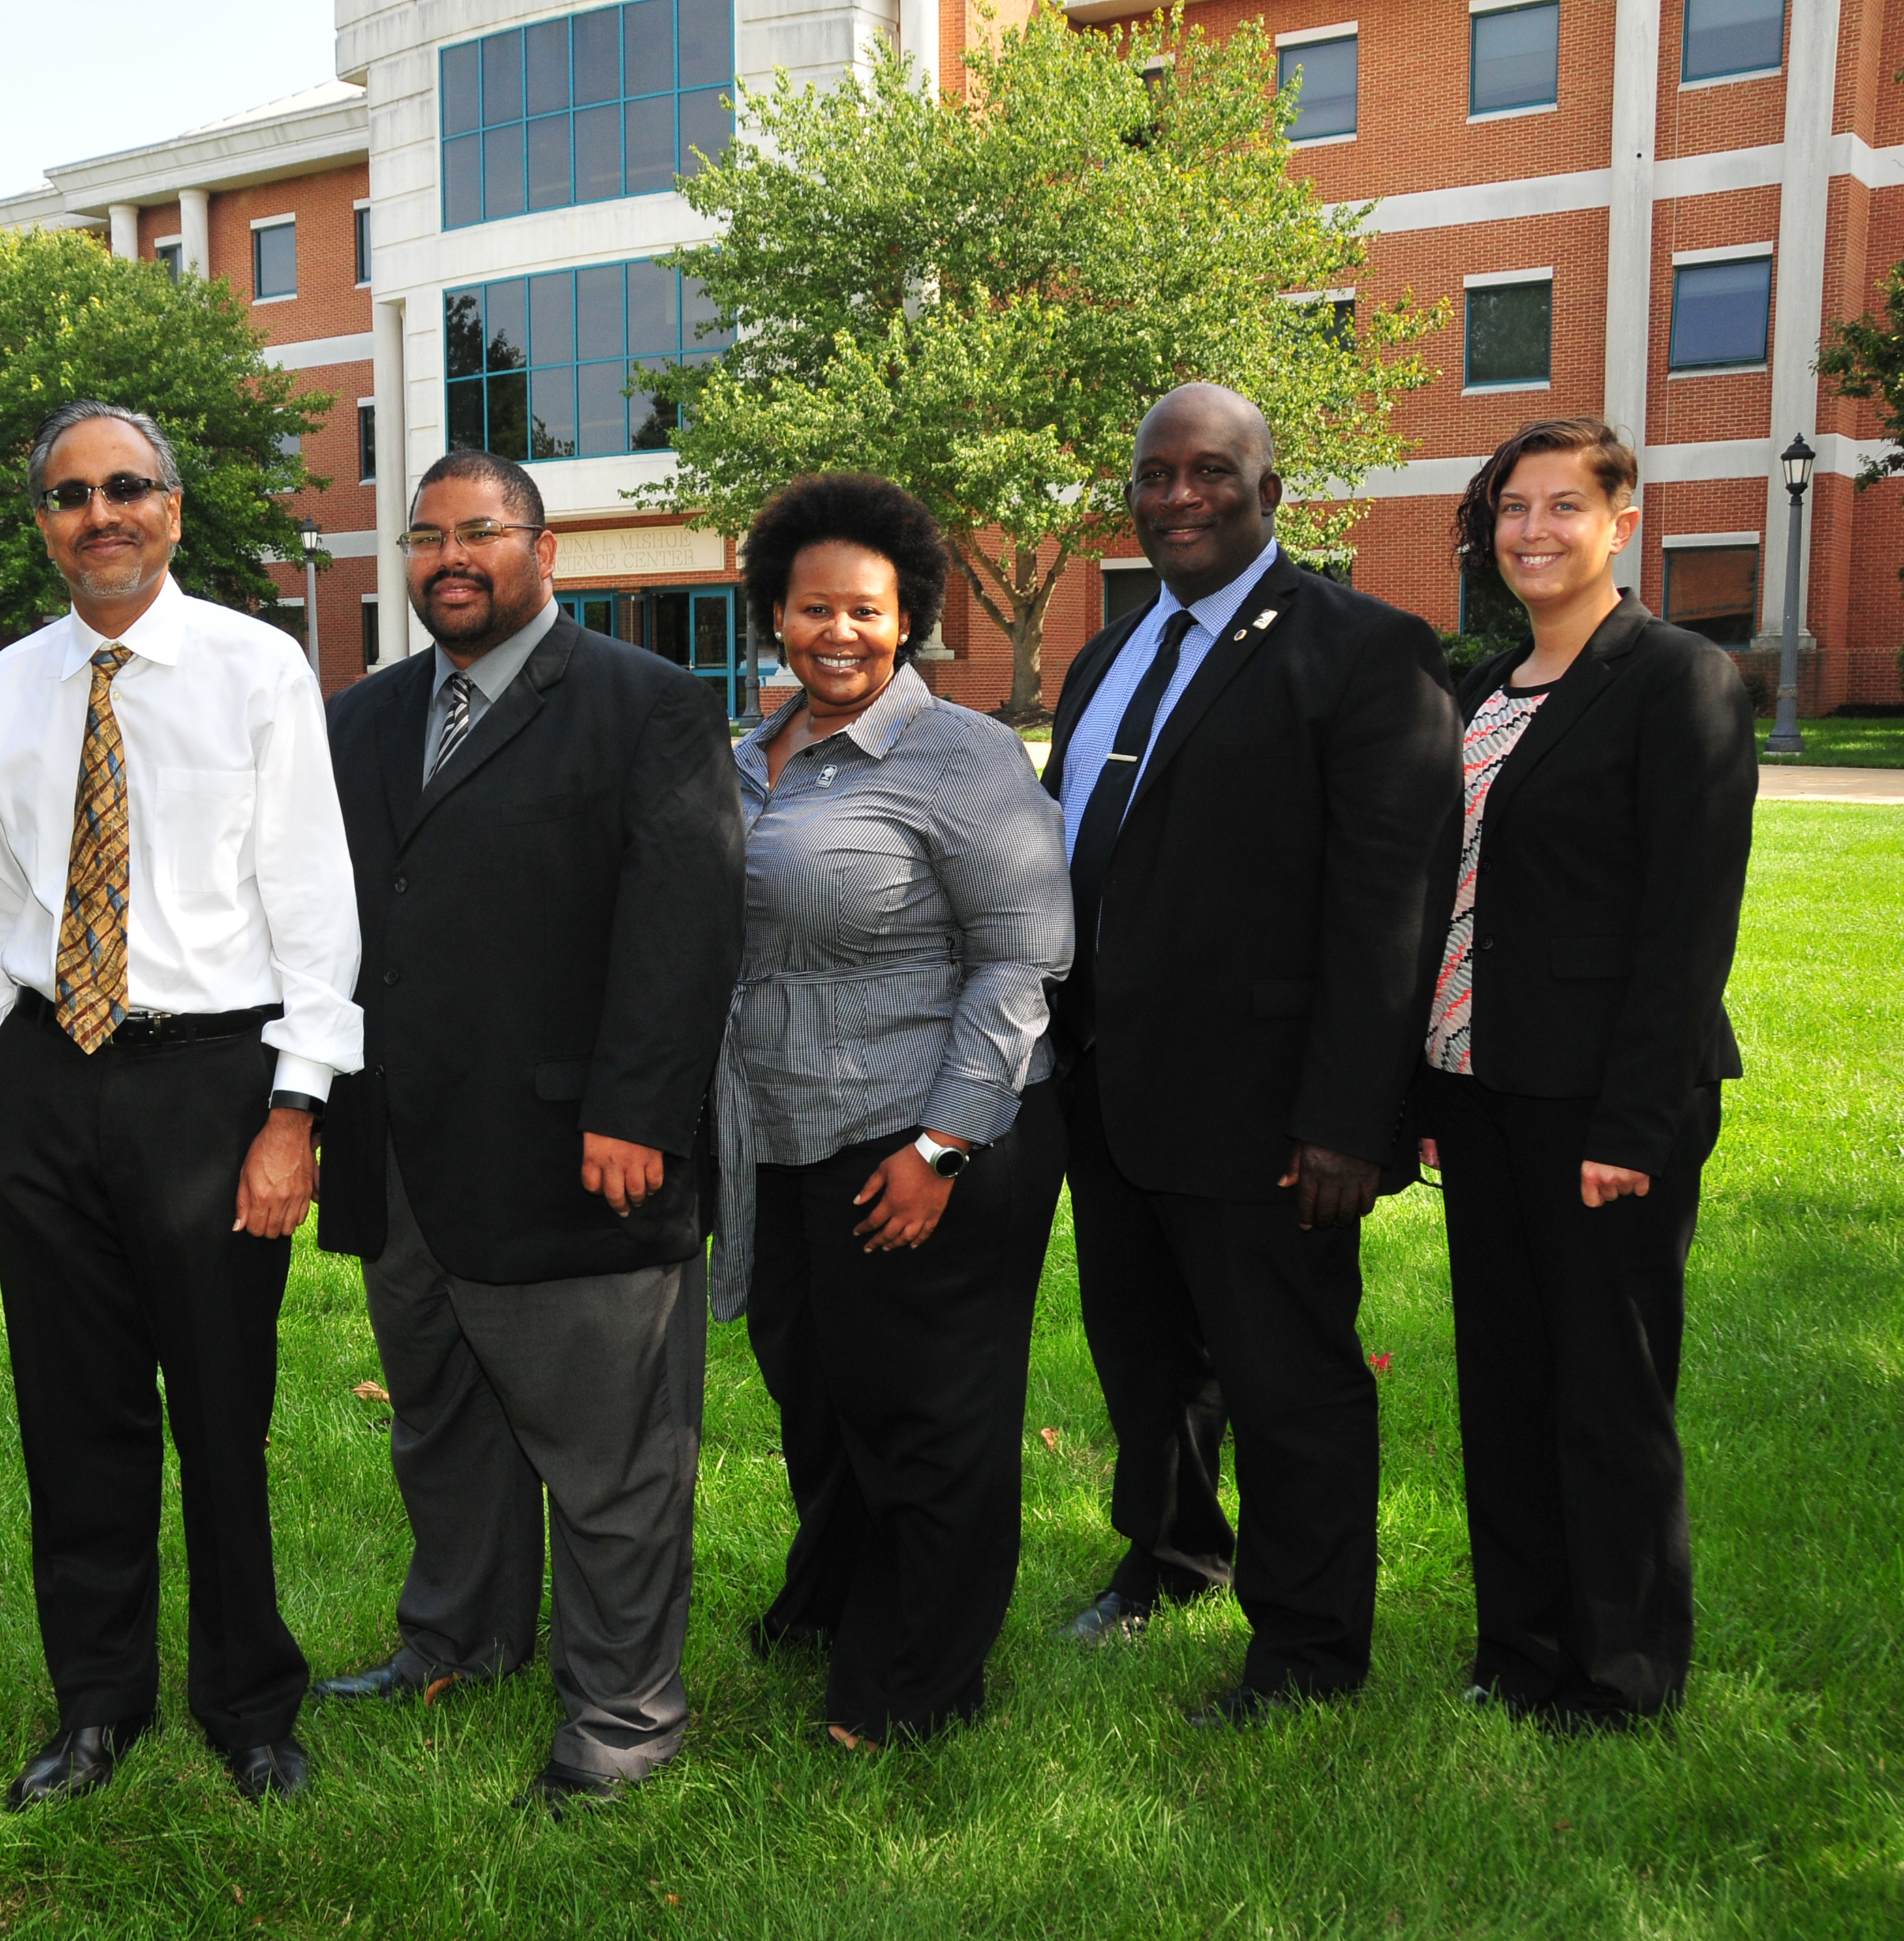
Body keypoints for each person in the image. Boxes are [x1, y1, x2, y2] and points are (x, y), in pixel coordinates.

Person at [313, 450, 741, 1813]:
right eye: (424, 534)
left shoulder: (646, 706)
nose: (447, 555)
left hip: (578, 1157)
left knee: (608, 1457)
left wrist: (636, 1110)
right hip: (401, 1158)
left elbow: (683, 925)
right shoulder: (365, 716)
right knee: (442, 1428)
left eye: (478, 531)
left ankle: (623, 1715)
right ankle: (456, 1637)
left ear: (541, 546)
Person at [0, 400, 361, 1809]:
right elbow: (0, 892)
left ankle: (248, 1700)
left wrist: (293, 1105)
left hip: (209, 1080)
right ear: (45, 524)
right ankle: (96, 1704)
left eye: (125, 487)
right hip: (43, 1075)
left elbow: (312, 897)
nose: (100, 514)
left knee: (219, 1402)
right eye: (70, 495)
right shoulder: (11, 682)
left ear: (174, 509)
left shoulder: (256, 669)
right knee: (73, 1412)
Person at [1047, 383, 1460, 1723]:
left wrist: (1347, 1115)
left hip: (1267, 1110)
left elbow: (1388, 902)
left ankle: (1307, 1648)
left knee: (1289, 1381)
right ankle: (1167, 1555)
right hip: (1105, 1090)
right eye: (1153, 473)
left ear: (1270, 491)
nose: (1175, 496)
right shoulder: (1101, 655)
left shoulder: (1362, 650)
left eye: (1208, 472)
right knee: (1144, 1359)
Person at [713, 475, 1073, 1747]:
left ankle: (916, 1684)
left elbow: (1023, 955)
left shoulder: (957, 755)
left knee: (927, 1421)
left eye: (866, 611)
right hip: (782, 1137)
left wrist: (944, 1143)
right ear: (776, 613)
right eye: (814, 609)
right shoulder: (753, 755)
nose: (839, 634)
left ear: (909, 614)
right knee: (821, 1400)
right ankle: (834, 1600)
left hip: (922, 1135)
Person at [1419, 419, 1753, 1729]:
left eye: (1566, 505)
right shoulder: (1483, 691)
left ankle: (1622, 1673)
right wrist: (1433, 1081)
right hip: (1481, 1089)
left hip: (1605, 1105)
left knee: (1605, 1390)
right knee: (1503, 1381)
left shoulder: (1678, 679)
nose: (1534, 531)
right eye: (1514, 507)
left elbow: (1685, 925)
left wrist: (1632, 1122)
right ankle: (1520, 1648)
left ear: (1623, 519)